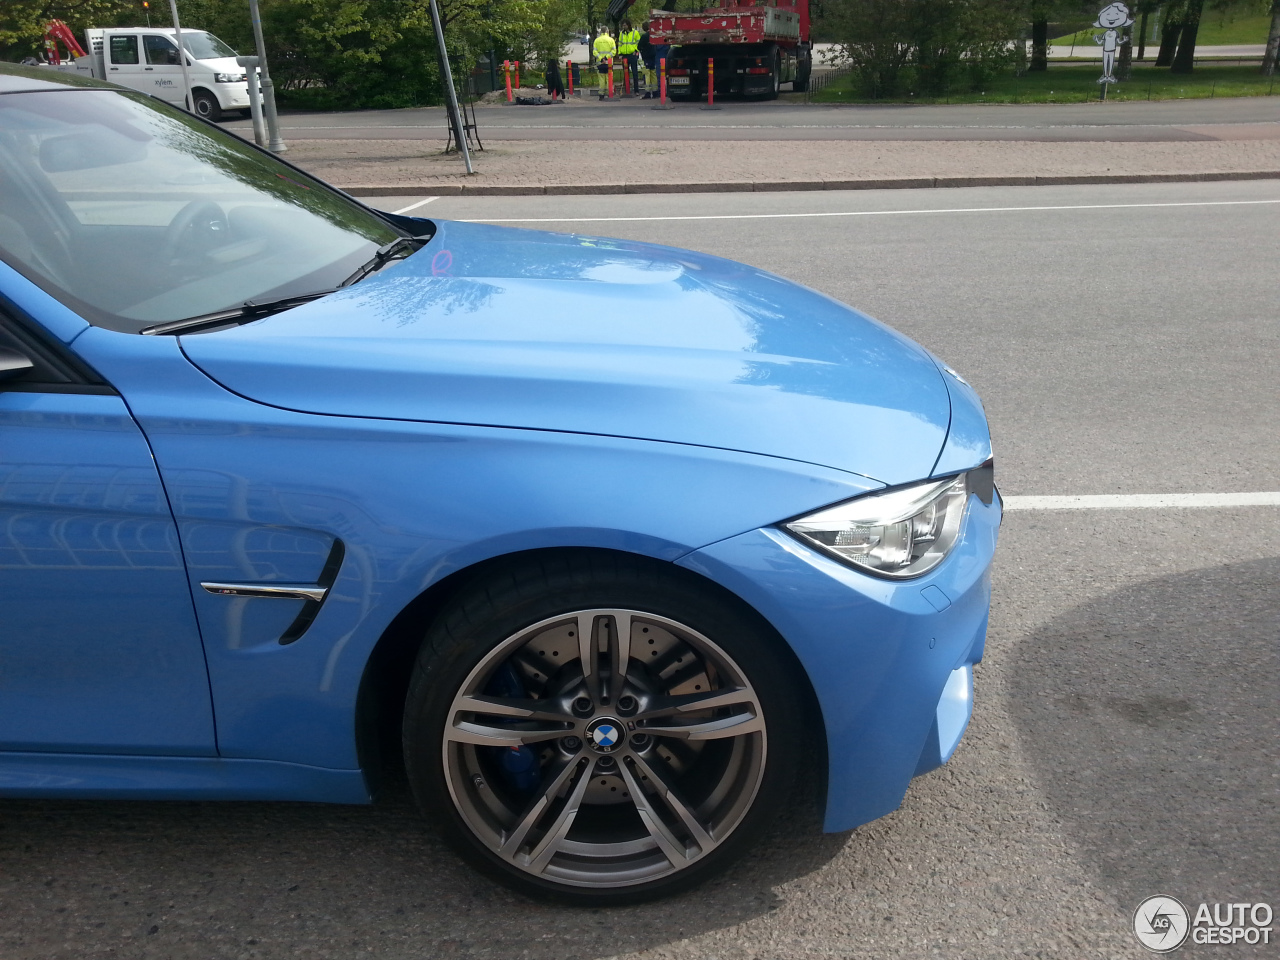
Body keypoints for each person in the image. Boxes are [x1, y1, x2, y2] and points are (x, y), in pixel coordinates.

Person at [617, 19, 642, 94]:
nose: (624, 27)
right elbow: (620, 44)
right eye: (623, 25)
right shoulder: (622, 33)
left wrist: (636, 50)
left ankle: (636, 90)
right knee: (626, 73)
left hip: (632, 55)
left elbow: (638, 43)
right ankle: (627, 90)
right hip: (624, 55)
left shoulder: (635, 33)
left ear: (628, 25)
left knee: (635, 73)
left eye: (625, 25)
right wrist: (620, 54)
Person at [592, 26, 616, 99]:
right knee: (609, 79)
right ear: (607, 31)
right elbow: (614, 52)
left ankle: (601, 95)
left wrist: (601, 58)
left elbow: (594, 52)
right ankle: (609, 93)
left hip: (600, 63)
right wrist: (606, 57)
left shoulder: (597, 40)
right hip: (608, 63)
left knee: (601, 79)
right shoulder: (611, 40)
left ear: (600, 32)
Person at [638, 22, 656, 98]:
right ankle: (655, 92)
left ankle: (648, 92)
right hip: (654, 56)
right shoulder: (654, 35)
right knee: (653, 74)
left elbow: (639, 46)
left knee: (647, 74)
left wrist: (643, 51)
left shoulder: (644, 36)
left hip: (647, 57)